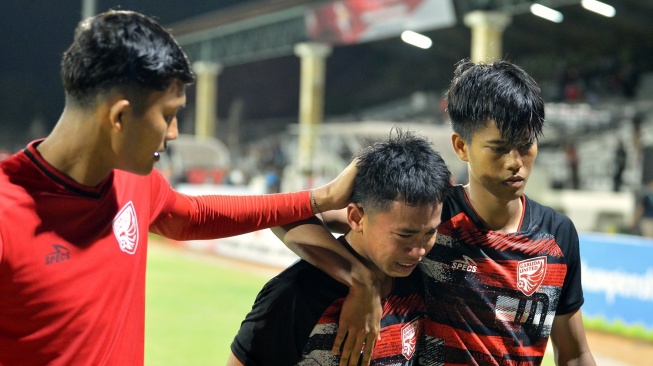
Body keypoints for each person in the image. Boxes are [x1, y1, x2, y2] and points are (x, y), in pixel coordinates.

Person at [0, 10, 357, 365]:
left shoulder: (135, 181)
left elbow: (195, 216)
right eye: (168, 115)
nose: (173, 133)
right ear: (119, 117)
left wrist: (320, 198)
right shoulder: (6, 212)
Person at [281, 60, 596, 366]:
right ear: (461, 147)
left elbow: (574, 354)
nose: (515, 161)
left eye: (526, 144)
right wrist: (359, 280)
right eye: (499, 148)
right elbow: (285, 216)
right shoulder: (430, 219)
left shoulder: (558, 235)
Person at [227, 129, 453, 365]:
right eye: (404, 235)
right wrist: (361, 281)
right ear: (356, 218)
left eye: (430, 232)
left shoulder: (421, 277)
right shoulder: (296, 295)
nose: (418, 251)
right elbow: (279, 214)